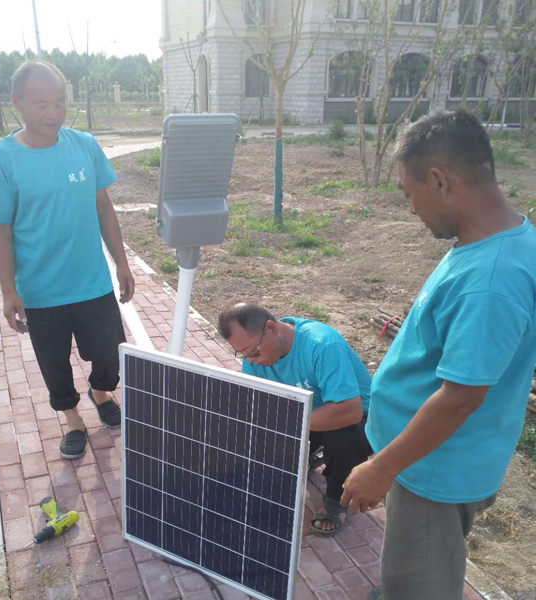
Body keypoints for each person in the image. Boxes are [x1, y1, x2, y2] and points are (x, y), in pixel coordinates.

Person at [340, 109, 536, 600]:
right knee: (413, 568)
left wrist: (381, 468)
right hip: (429, 458)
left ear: (439, 180)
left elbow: (459, 399)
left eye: (409, 194)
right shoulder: (494, 242)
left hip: (434, 469)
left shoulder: (491, 281)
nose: (411, 210)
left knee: (420, 583)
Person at [0, 60, 135, 460]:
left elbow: (103, 207)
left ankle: (101, 392)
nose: (53, 113)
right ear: (18, 103)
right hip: (40, 290)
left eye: (60, 102)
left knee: (111, 354)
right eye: (41, 104)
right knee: (54, 364)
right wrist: (8, 290)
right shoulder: (2, 158)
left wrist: (121, 262)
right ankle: (73, 420)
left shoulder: (84, 146)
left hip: (92, 282)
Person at [218, 302, 372, 535]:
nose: (251, 360)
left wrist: (285, 422)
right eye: (243, 354)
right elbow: (256, 405)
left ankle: (335, 500)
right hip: (306, 414)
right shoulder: (255, 357)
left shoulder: (322, 345)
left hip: (358, 418)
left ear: (271, 328)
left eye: (253, 351)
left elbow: (350, 411)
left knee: (343, 440)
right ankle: (306, 456)